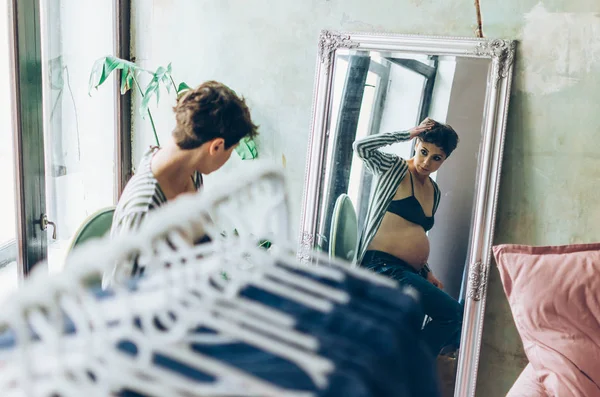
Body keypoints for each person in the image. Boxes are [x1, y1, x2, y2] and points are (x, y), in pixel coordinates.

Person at [107, 80, 258, 280]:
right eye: (233, 149)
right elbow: (116, 293)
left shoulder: (191, 173)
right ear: (216, 147)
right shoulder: (144, 208)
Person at [353, 117, 462, 357]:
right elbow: (360, 147)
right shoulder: (393, 169)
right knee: (453, 314)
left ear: (444, 160)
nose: (426, 162)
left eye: (436, 158)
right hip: (380, 267)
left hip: (408, 273)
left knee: (453, 326)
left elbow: (415, 233)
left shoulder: (434, 191)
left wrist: (427, 272)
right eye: (424, 151)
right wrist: (406, 133)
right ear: (416, 144)